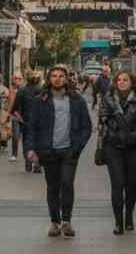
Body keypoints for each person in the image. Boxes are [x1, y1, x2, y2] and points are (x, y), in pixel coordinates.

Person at [26, 65, 93, 238]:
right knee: (53, 187)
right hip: (48, 151)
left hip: (69, 151)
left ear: (66, 79)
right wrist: (31, 148)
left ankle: (67, 221)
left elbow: (87, 127)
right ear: (49, 79)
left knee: (67, 183)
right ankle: (54, 223)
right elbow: (32, 126)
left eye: (61, 76)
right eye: (54, 76)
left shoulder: (76, 100)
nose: (57, 79)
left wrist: (77, 147)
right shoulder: (40, 100)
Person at [98, 70, 136, 234]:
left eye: (125, 79)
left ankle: (129, 217)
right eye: (119, 79)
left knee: (131, 185)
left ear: (132, 82)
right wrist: (111, 122)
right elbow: (102, 119)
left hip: (133, 146)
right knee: (117, 184)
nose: (121, 82)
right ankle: (118, 222)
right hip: (113, 146)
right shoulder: (108, 99)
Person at [12, 70, 43, 172]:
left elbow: (14, 109)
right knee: (39, 141)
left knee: (26, 142)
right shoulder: (42, 90)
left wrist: (21, 119)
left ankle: (28, 163)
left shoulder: (21, 91)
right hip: (39, 120)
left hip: (26, 121)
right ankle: (37, 164)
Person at [7, 71, 25, 162]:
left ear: (23, 80)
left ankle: (27, 153)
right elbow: (10, 103)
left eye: (19, 78)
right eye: (15, 78)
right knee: (15, 135)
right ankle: (14, 154)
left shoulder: (25, 89)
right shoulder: (11, 90)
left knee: (26, 136)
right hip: (15, 116)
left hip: (25, 116)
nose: (17, 80)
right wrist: (7, 116)